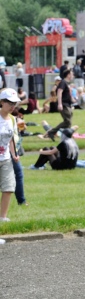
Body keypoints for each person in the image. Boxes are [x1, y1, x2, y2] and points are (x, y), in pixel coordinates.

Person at [0, 88, 23, 221]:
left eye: (14, 104)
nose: (12, 106)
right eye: (9, 103)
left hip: (6, 159)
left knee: (8, 188)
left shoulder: (13, 120)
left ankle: (2, 218)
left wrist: (14, 154)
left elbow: (11, 139)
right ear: (2, 102)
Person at [43, 69, 74, 140]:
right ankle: (51, 132)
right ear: (68, 75)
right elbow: (59, 92)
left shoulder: (66, 83)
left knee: (68, 123)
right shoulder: (63, 82)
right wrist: (60, 104)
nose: (73, 75)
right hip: (64, 104)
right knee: (67, 121)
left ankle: (67, 136)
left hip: (67, 105)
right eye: (72, 74)